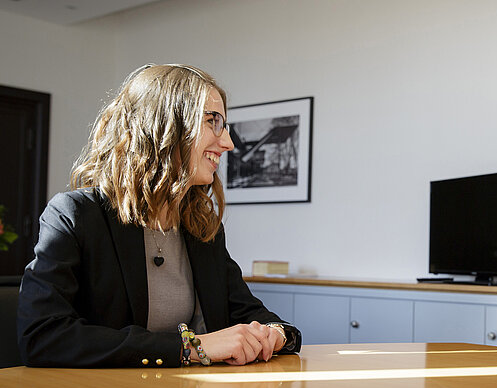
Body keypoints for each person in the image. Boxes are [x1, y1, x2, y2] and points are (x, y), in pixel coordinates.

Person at [17, 64, 301, 368]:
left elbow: (249, 313)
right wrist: (191, 347)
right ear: (163, 126)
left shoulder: (202, 228)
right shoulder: (75, 215)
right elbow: (42, 336)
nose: (229, 143)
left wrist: (274, 333)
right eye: (211, 121)